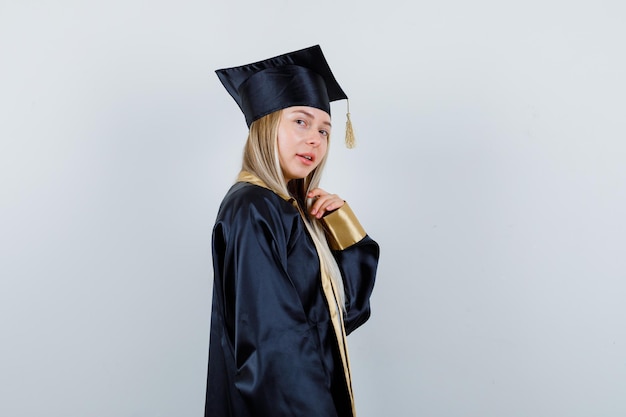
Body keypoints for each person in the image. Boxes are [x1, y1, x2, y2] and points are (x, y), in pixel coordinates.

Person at [205, 45, 380, 417]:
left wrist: (345, 231)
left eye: (324, 130)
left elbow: (335, 319)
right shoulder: (253, 208)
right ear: (266, 125)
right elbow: (274, 346)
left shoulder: (290, 211)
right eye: (300, 121)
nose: (315, 139)